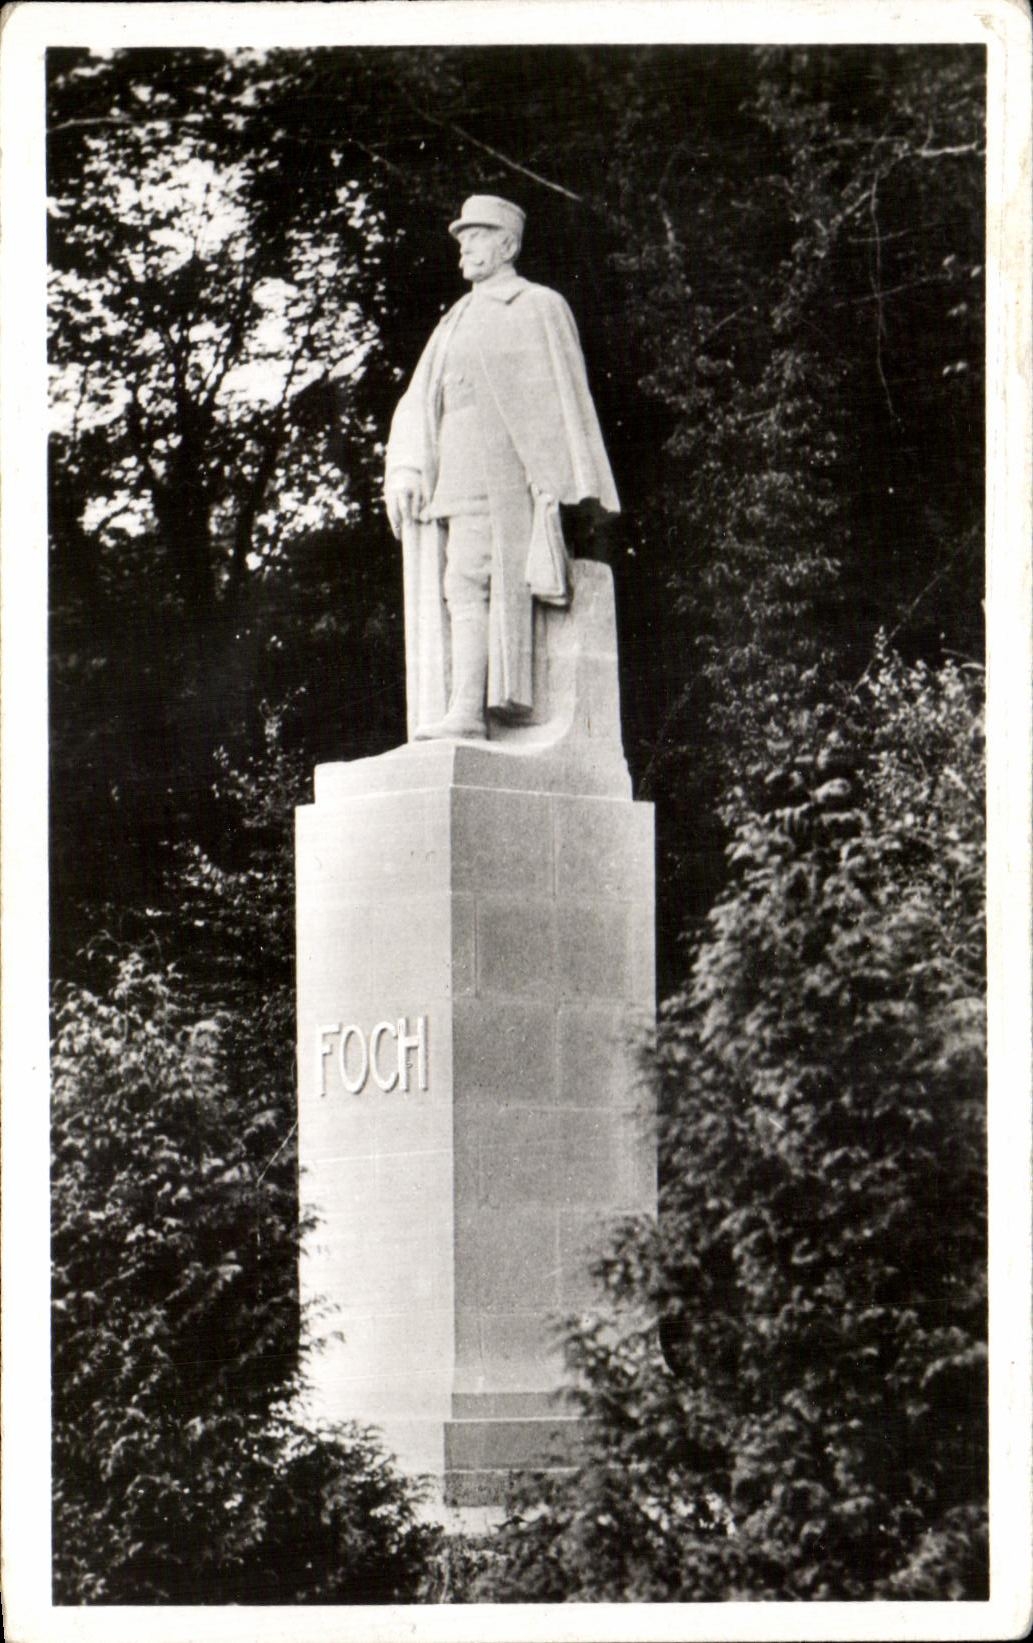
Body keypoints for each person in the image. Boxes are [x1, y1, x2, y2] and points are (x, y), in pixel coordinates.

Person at [384, 195, 619, 741]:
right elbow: (419, 399)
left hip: (506, 474)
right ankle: (462, 707)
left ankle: (470, 710)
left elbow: (562, 401)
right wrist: (407, 469)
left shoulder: (537, 305)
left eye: (478, 234)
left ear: (507, 245)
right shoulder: (453, 319)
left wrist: (555, 482)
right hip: (456, 468)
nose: (464, 244)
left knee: (474, 576)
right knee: (459, 583)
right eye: (462, 235)